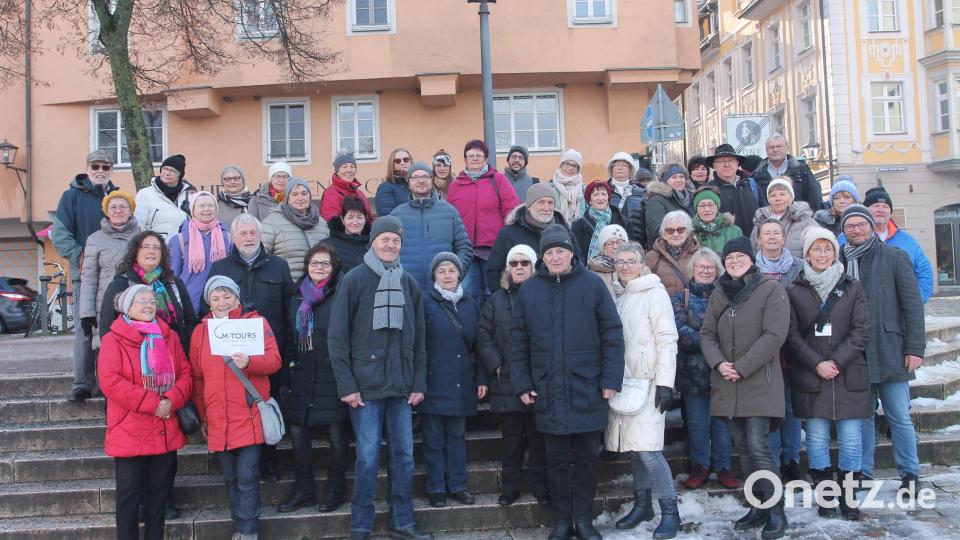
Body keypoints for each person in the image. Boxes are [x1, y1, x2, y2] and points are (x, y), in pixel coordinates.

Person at [511, 225, 625, 540]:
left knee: (588, 459)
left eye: (560, 250)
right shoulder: (530, 289)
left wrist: (611, 378)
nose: (555, 256)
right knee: (555, 460)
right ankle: (562, 521)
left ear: (572, 253)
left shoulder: (593, 285)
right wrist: (522, 383)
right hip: (547, 389)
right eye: (549, 252)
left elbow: (612, 334)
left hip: (588, 387)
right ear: (542, 257)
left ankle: (584, 521)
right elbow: (518, 341)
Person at [328, 216, 432, 540]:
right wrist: (346, 385)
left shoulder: (409, 283)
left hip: (401, 385)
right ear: (373, 242)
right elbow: (337, 336)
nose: (390, 245)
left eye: (396, 240)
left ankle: (403, 520)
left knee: (404, 456)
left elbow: (419, 339)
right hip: (365, 387)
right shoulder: (355, 279)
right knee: (368, 457)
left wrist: (418, 382)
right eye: (385, 239)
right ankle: (361, 523)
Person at [701, 237, 790, 539]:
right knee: (743, 448)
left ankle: (777, 512)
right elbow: (707, 334)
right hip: (728, 382)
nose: (735, 261)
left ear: (752, 259)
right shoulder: (719, 293)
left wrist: (742, 366)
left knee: (759, 447)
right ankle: (758, 505)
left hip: (758, 381)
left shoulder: (771, 289)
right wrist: (719, 363)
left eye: (740, 256)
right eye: (729, 258)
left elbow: (774, 335)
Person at [786, 228, 872, 520]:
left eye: (828, 249)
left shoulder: (852, 287)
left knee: (851, 439)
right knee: (818, 438)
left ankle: (848, 497)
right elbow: (792, 334)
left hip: (847, 374)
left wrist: (837, 360)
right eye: (816, 249)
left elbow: (862, 330)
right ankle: (825, 496)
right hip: (812, 375)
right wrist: (816, 363)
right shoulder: (795, 289)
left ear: (836, 253)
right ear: (807, 253)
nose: (822, 255)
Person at [838, 205, 925, 496]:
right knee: (863, 416)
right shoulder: (838, 262)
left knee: (898, 414)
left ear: (870, 226)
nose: (856, 230)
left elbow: (912, 305)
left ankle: (910, 472)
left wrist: (915, 347)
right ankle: (864, 470)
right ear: (843, 231)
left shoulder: (894, 257)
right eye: (850, 226)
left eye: (861, 224)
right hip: (855, 353)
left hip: (890, 348)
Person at [204, 213, 296, 483]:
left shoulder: (279, 266)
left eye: (252, 233)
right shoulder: (219, 268)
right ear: (233, 237)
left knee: (266, 407)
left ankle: (269, 464)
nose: (248, 238)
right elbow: (207, 309)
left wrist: (288, 351)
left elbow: (289, 309)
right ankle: (241, 468)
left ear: (260, 236)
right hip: (229, 359)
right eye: (242, 234)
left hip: (268, 354)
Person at [189, 276, 281, 540]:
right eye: (215, 298)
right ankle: (239, 525)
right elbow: (197, 377)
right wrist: (203, 414)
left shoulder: (255, 323)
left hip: (249, 413)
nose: (221, 302)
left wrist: (250, 362)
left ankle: (248, 530)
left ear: (237, 298)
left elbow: (274, 361)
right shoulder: (201, 332)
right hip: (218, 417)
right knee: (230, 477)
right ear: (208, 302)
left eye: (227, 296)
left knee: (247, 476)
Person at [98, 284, 193, 540]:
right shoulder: (113, 338)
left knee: (159, 496)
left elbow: (185, 375)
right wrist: (154, 404)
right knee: (128, 498)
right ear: (127, 307)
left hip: (165, 428)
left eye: (152, 300)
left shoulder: (168, 336)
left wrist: (171, 400)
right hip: (130, 429)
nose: (149, 305)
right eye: (141, 301)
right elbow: (110, 381)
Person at [606, 242, 682, 538]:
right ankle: (642, 505)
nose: (624, 266)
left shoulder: (654, 292)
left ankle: (670, 511)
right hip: (626, 384)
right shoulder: (621, 295)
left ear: (641, 264)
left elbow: (667, 339)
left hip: (650, 383)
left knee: (649, 451)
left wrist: (665, 382)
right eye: (620, 262)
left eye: (630, 261)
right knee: (635, 449)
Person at [277, 244, 349, 514]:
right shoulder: (296, 298)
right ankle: (304, 490)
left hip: (332, 375)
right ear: (307, 266)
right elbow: (288, 340)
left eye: (325, 264)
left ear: (334, 268)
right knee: (298, 436)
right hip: (301, 375)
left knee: (336, 438)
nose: (319, 268)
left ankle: (335, 490)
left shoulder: (340, 294)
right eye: (315, 263)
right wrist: (285, 378)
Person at [476, 244, 549, 507]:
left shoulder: (545, 295)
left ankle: (542, 488)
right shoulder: (496, 300)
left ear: (533, 266)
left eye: (524, 263)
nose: (519, 267)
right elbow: (483, 337)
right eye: (514, 263)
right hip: (506, 382)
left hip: (539, 381)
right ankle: (511, 488)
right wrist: (498, 365)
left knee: (539, 442)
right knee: (512, 443)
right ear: (508, 267)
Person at [418, 252, 486, 508]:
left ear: (460, 274)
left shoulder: (470, 303)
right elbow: (418, 344)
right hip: (433, 381)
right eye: (441, 271)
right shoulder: (425, 301)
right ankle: (435, 487)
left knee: (457, 438)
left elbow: (480, 345)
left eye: (451, 271)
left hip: (461, 382)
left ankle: (458, 486)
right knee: (433, 439)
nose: (447, 275)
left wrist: (481, 378)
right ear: (434, 276)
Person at [52, 149, 118, 402]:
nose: (100, 171)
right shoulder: (71, 197)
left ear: (111, 169)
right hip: (85, 276)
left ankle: (106, 382)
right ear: (87, 169)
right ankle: (82, 383)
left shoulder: (117, 197)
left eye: (105, 167)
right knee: (85, 329)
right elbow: (59, 234)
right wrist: (79, 256)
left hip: (113, 277)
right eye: (96, 167)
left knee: (110, 330)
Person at [671, 248, 738, 491]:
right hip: (692, 372)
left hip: (722, 372)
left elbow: (734, 330)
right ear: (693, 270)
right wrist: (711, 344)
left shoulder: (729, 297)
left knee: (722, 423)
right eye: (701, 267)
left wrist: (714, 347)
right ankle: (700, 466)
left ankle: (723, 467)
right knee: (698, 424)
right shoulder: (681, 299)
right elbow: (680, 331)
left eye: (710, 267)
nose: (706, 270)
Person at [77, 190, 138, 400]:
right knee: (106, 347)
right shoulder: (95, 239)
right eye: (113, 207)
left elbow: (153, 268)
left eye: (123, 207)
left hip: (135, 303)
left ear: (131, 211)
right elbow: (89, 276)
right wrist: (86, 312)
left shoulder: (142, 236)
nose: (118, 211)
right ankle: (106, 389)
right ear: (106, 212)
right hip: (105, 305)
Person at [99, 230, 198, 355]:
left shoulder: (174, 283)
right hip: (135, 359)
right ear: (135, 252)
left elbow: (190, 322)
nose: (151, 251)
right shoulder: (120, 285)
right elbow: (107, 327)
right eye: (145, 247)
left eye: (156, 248)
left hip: (176, 355)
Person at [447, 140, 521, 304]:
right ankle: (471, 328)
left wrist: (508, 238)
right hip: (465, 249)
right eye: (471, 155)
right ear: (465, 159)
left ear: (486, 159)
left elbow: (512, 210)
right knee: (468, 293)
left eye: (479, 156)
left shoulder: (498, 180)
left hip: (493, 248)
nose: (474, 159)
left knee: (492, 292)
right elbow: (449, 217)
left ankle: (493, 328)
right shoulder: (455, 185)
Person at [485, 183, 580, 294]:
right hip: (520, 300)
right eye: (541, 202)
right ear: (529, 206)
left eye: (550, 203)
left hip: (561, 297)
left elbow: (578, 265)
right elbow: (494, 272)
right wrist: (507, 300)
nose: (546, 208)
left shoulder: (566, 233)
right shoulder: (509, 233)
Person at [392, 161, 473, 291]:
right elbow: (387, 252)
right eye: (416, 177)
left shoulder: (449, 212)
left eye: (425, 176)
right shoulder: (396, 216)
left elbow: (465, 248)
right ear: (409, 182)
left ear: (432, 180)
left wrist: (454, 275)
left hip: (442, 292)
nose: (421, 180)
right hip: (407, 290)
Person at [858, 187, 934, 303]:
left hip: (899, 312)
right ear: (865, 210)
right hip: (863, 311)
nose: (881, 210)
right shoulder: (850, 238)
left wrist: (916, 299)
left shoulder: (908, 241)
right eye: (875, 205)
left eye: (885, 206)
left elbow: (924, 272)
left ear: (890, 212)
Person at [168, 191, 232, 312]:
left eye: (210, 205)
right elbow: (173, 275)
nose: (206, 209)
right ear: (193, 210)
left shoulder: (228, 238)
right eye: (201, 206)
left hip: (222, 302)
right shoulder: (179, 240)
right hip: (190, 302)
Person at [261, 178, 330, 281]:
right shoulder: (272, 222)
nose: (300, 198)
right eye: (295, 194)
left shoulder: (322, 223)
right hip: (287, 287)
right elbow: (262, 257)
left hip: (319, 288)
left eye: (304, 193)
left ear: (310, 197)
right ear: (287, 198)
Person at [750, 134, 823, 210]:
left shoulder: (802, 171)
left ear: (787, 147)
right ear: (766, 150)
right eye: (771, 147)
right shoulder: (756, 176)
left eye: (779, 146)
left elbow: (815, 199)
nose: (775, 150)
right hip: (769, 220)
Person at [750, 178, 817, 258]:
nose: (778, 198)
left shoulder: (806, 221)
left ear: (791, 197)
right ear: (769, 200)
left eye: (782, 194)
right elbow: (752, 251)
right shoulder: (760, 222)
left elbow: (816, 250)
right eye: (773, 195)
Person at [134, 154, 196, 239]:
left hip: (183, 247)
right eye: (165, 169)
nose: (167, 173)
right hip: (156, 247)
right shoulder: (145, 194)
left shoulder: (188, 195)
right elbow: (138, 226)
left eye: (172, 170)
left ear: (180, 175)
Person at [705, 144, 760, 237]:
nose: (727, 165)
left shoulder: (751, 185)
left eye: (730, 160)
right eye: (721, 161)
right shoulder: (708, 190)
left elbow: (764, 212)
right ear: (714, 165)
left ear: (737, 163)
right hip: (725, 248)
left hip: (755, 245)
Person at [645, 210, 701, 296]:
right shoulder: (651, 258)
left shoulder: (699, 255)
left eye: (680, 230)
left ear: (688, 232)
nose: (675, 234)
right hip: (663, 308)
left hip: (693, 308)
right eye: (670, 230)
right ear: (664, 234)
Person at [571, 180, 628, 258]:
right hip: (590, 269)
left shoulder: (623, 221)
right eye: (596, 195)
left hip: (620, 267)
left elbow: (630, 249)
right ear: (590, 200)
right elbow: (577, 254)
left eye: (603, 194)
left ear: (608, 198)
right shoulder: (578, 225)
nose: (600, 198)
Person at [645, 164, 694, 247]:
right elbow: (658, 230)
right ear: (665, 180)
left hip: (690, 249)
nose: (679, 180)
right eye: (674, 177)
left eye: (681, 177)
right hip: (664, 251)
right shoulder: (656, 200)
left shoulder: (692, 197)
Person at [322, 195, 371, 273]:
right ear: (342, 219)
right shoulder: (327, 245)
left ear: (365, 218)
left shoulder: (373, 245)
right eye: (350, 217)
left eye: (359, 217)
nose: (355, 222)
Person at [320, 152, 373, 223]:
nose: (349, 170)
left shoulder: (360, 193)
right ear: (337, 171)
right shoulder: (331, 193)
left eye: (352, 166)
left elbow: (369, 219)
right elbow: (332, 222)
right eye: (344, 167)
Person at [607, 152, 646, 243]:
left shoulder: (641, 192)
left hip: (637, 244)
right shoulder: (604, 191)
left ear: (631, 169)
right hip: (611, 244)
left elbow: (648, 223)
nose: (620, 168)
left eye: (624, 165)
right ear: (611, 169)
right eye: (616, 165)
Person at [692, 186, 743, 254]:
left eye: (711, 205)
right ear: (696, 208)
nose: (707, 209)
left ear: (717, 206)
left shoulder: (734, 231)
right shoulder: (690, 233)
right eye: (702, 205)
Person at [754, 219, 804, 285]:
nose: (772, 237)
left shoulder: (800, 266)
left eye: (776, 233)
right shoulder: (752, 267)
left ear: (783, 239)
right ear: (759, 240)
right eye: (767, 233)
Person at [588, 224, 629, 298]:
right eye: (610, 243)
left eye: (619, 242)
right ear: (603, 247)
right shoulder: (594, 272)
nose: (615, 246)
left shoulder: (636, 266)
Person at [548, 149, 586, 226]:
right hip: (555, 229)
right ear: (561, 165)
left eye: (574, 165)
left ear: (578, 169)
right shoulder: (549, 187)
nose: (570, 168)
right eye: (567, 164)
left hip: (578, 230)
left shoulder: (583, 189)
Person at [375, 147, 413, 216]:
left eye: (406, 160)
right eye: (397, 161)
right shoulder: (385, 187)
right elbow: (386, 214)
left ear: (411, 162)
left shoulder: (417, 184)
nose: (402, 163)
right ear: (392, 165)